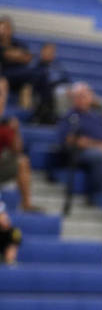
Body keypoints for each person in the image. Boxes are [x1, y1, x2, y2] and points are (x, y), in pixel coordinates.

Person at [56, 82, 102, 205]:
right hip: (81, 153)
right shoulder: (70, 116)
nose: (82, 99)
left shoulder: (97, 116)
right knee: (101, 156)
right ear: (74, 99)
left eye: (85, 96)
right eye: (79, 96)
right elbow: (73, 140)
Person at [0, 78, 38, 212]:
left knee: (22, 161)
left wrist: (15, 131)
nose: (2, 100)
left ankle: (26, 204)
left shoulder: (6, 122)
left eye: (3, 96)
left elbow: (17, 149)